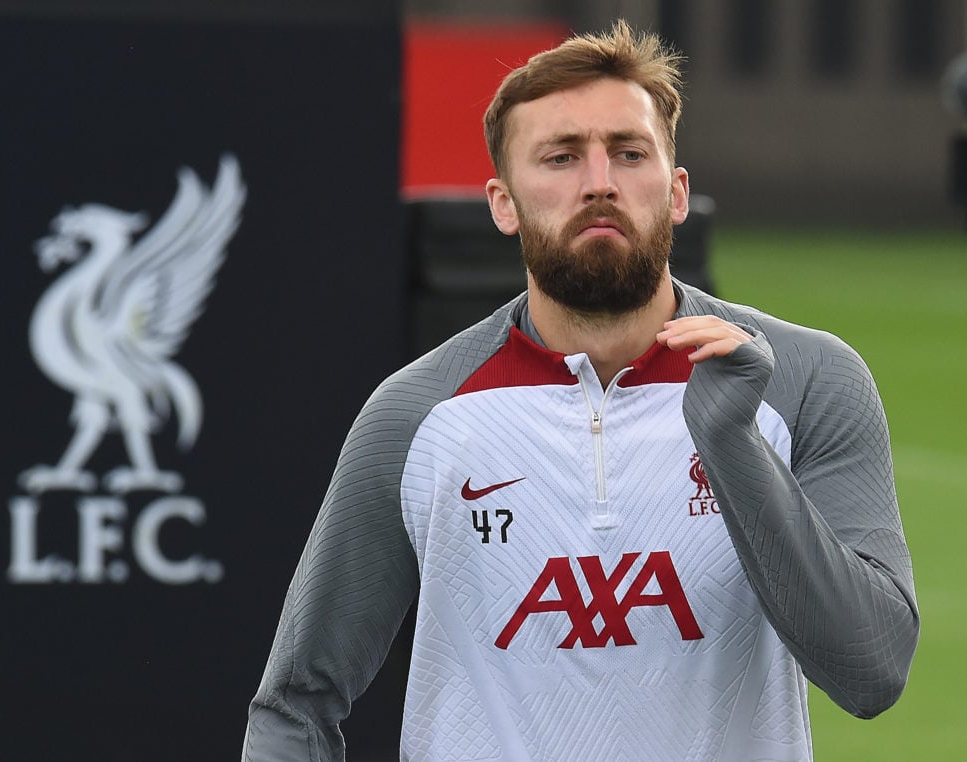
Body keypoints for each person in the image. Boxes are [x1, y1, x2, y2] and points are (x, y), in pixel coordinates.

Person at [242, 19, 919, 761]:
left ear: (677, 190)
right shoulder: (416, 416)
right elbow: (296, 702)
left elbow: (871, 672)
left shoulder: (806, 381)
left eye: (629, 154)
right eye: (561, 158)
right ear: (502, 204)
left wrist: (733, 445)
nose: (600, 182)